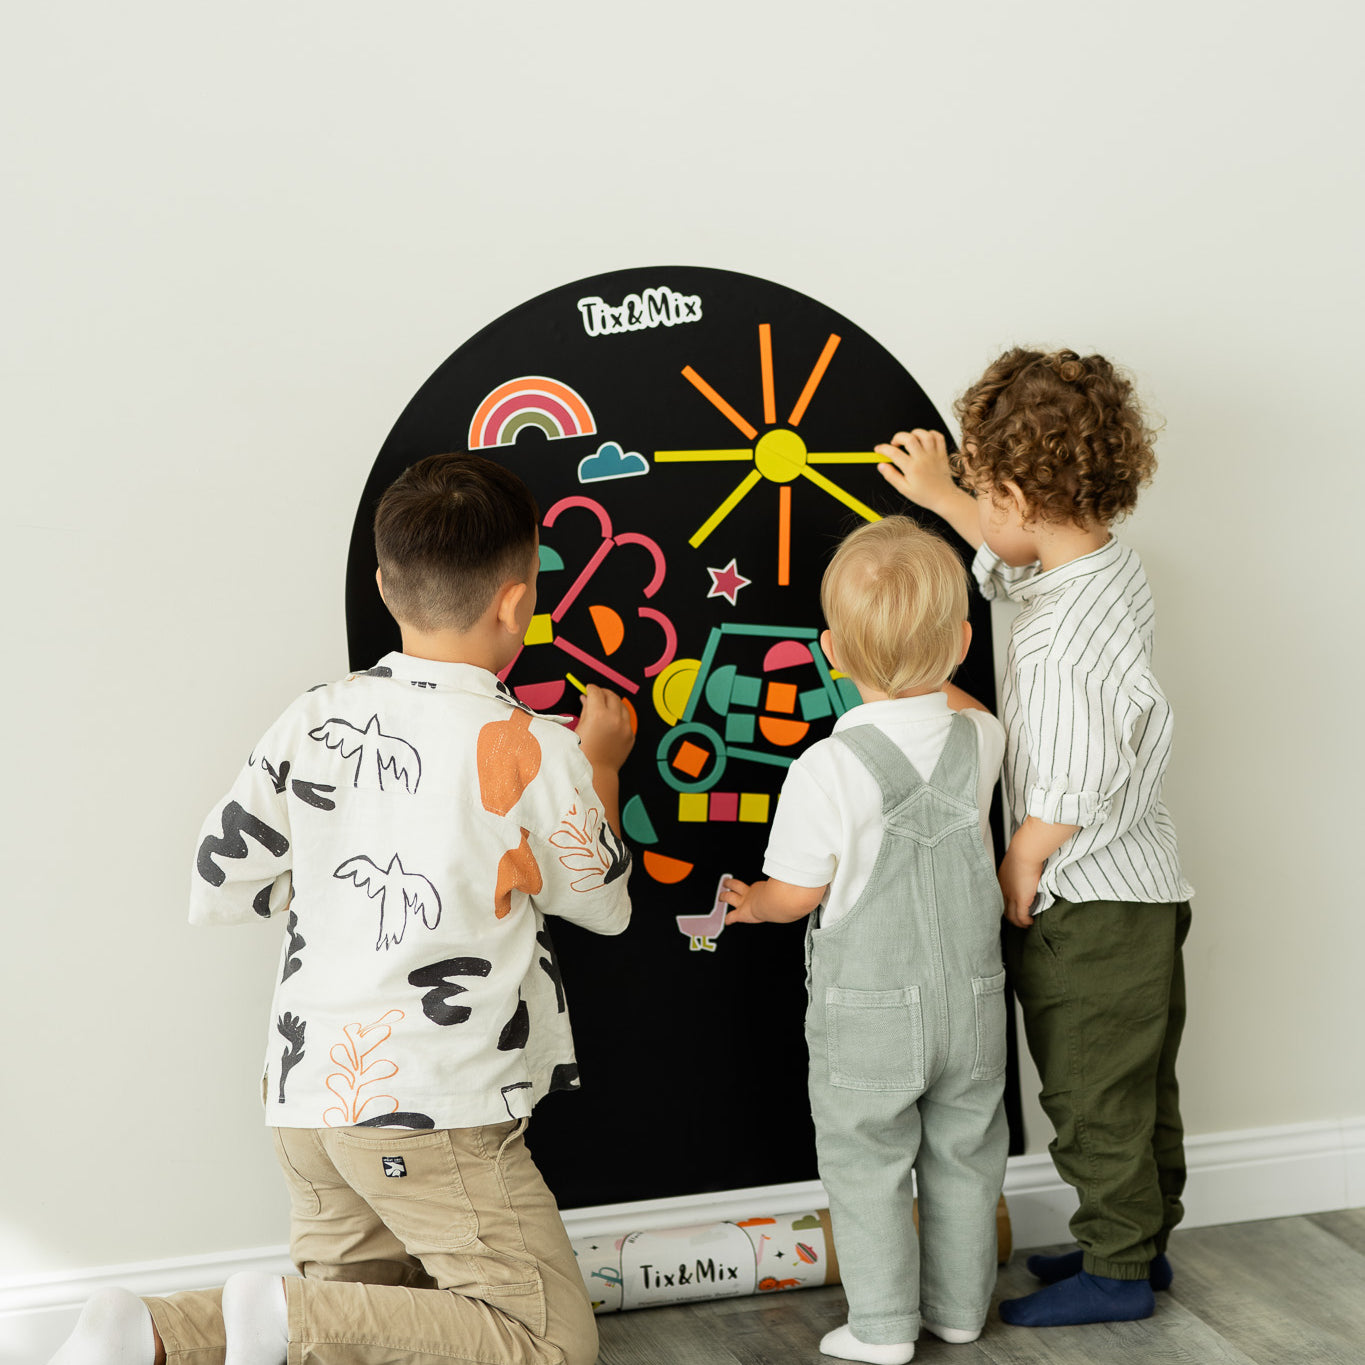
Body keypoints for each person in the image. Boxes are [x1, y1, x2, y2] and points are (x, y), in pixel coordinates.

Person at [50, 452, 634, 1365]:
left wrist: (340, 863)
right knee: (548, 1340)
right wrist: (600, 761)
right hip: (432, 1107)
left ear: (384, 585)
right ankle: (279, 1317)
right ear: (517, 602)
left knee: (361, 1328)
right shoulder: (534, 746)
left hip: (309, 1094)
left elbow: (220, 879)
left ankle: (150, 1334)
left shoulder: (315, 716)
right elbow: (602, 903)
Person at [876, 347, 1193, 1328]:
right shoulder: (1099, 571)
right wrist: (942, 494)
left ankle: (1119, 1270)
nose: (975, 502)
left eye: (980, 488)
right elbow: (1014, 559)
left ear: (1018, 493)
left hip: (1085, 903)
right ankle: (1137, 1238)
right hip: (1145, 890)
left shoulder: (1058, 651)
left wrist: (1019, 861)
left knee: (1092, 1091)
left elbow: (1072, 783)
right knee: (1137, 1087)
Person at [721, 517, 1009, 1365]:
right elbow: (964, 708)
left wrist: (752, 904)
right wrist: (934, 670)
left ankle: (883, 1326)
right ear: (962, 643)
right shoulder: (983, 738)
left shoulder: (824, 769)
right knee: (965, 1152)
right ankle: (959, 1308)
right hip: (976, 1000)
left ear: (832, 653)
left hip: (870, 1016)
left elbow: (797, 892)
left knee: (868, 1160)